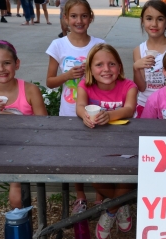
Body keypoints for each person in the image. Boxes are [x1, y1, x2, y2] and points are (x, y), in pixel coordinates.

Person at [0, 40, 48, 238]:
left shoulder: (30, 91)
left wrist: (12, 118)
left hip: (22, 154)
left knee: (17, 200)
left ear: (17, 64)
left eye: (7, 63)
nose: (1, 69)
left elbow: (44, 126)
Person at [46, 0, 105, 216]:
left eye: (83, 16)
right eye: (73, 16)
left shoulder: (98, 44)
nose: (78, 21)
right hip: (69, 111)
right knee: (75, 155)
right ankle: (80, 196)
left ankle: (101, 197)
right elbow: (50, 81)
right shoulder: (58, 45)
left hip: (95, 110)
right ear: (65, 19)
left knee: (99, 153)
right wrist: (68, 76)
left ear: (90, 17)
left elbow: (107, 75)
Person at [75, 43, 136, 239]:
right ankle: (121, 203)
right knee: (93, 177)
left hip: (125, 143)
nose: (106, 69)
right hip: (96, 145)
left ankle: (111, 210)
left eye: (111, 64)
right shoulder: (85, 84)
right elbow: (80, 106)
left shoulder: (129, 86)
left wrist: (109, 115)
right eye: (99, 65)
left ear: (119, 66)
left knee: (126, 175)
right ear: (90, 69)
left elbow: (129, 109)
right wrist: (85, 114)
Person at [132, 0, 166, 118]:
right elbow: (141, 87)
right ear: (142, 21)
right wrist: (136, 68)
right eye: (149, 18)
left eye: (160, 19)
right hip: (144, 104)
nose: (154, 24)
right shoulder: (138, 50)